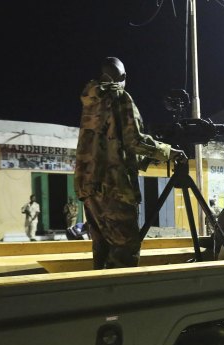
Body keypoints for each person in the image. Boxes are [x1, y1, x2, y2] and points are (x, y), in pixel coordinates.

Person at [75, 57, 187, 269]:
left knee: (103, 248)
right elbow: (134, 140)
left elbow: (112, 143)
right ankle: (121, 299)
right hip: (114, 186)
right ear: (124, 77)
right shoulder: (119, 97)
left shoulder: (91, 100)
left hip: (89, 187)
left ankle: (99, 297)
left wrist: (144, 159)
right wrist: (168, 151)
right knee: (126, 249)